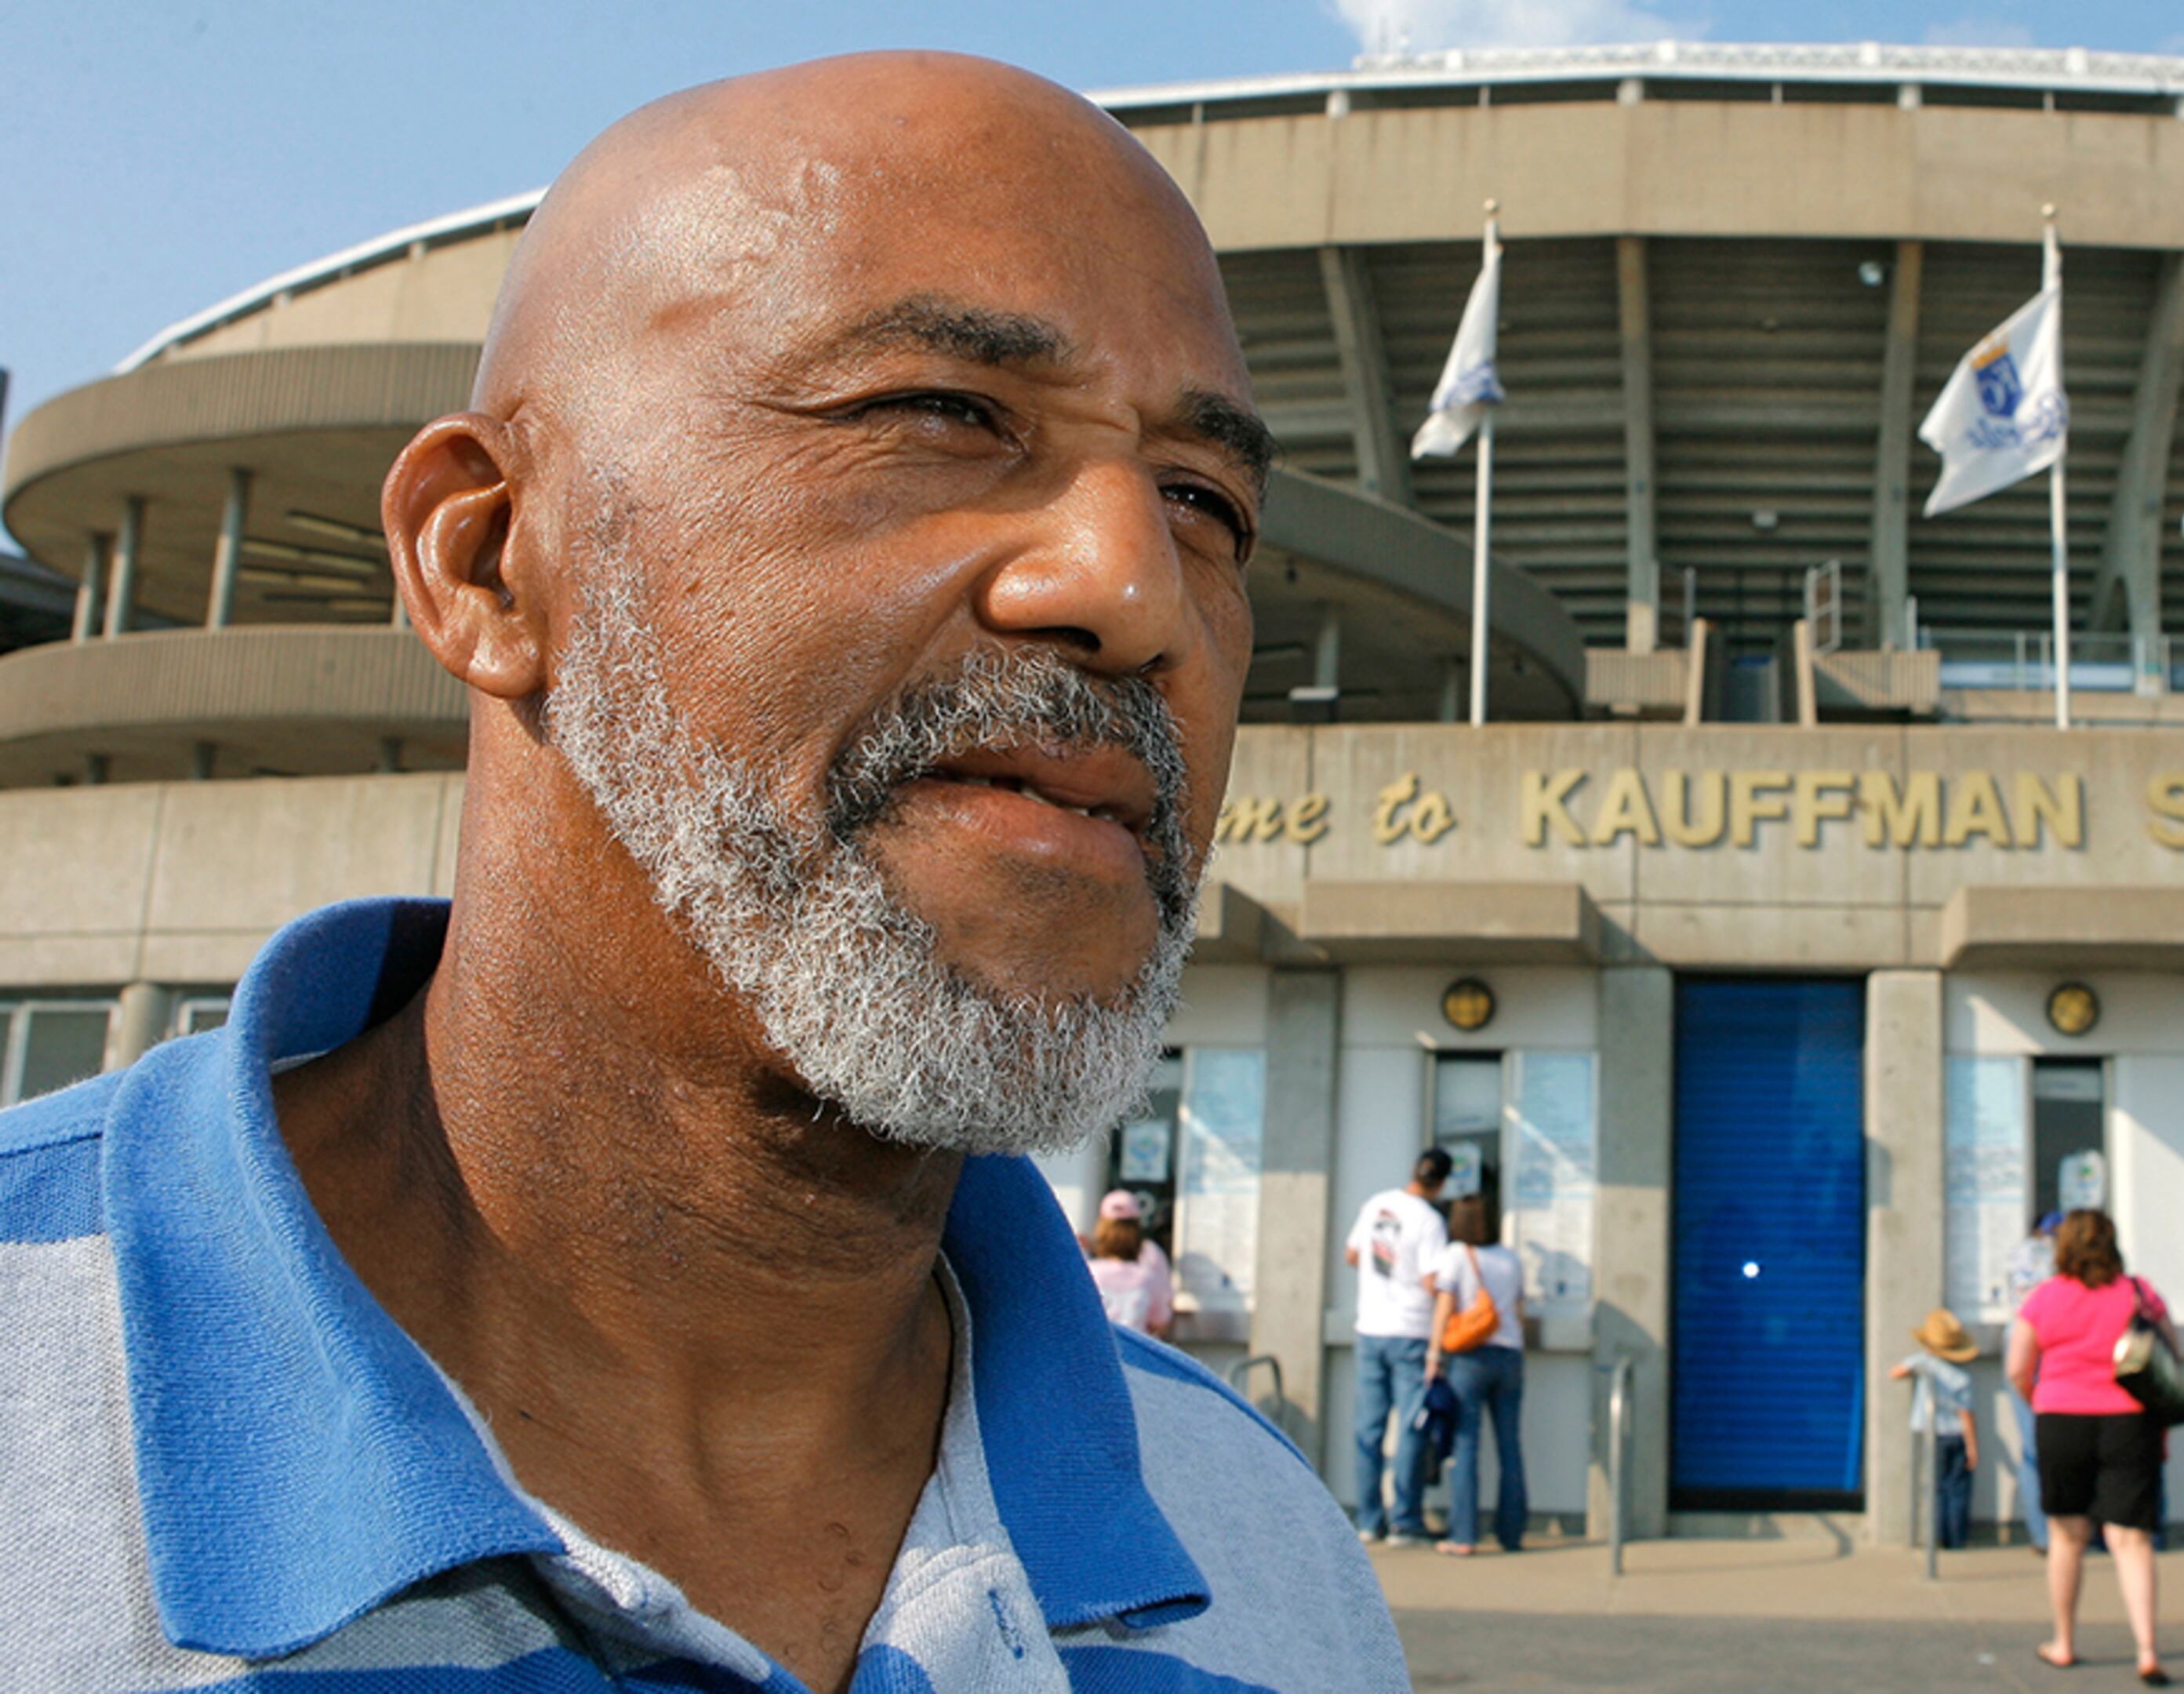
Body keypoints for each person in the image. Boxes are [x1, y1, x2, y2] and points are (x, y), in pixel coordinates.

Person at [0, 53, 1409, 1693]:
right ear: (487, 558)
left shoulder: (1268, 1565)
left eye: (1204, 500)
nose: (1135, 587)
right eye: (943, 415)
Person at [2009, 1208, 2171, 1685]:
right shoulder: (2140, 1293)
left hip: (2062, 1419)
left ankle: (2064, 1640)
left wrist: (2041, 1400)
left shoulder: (2044, 1298)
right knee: (2131, 1539)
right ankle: (2147, 1648)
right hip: (2128, 1421)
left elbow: (2019, 1367)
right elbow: (2170, 1355)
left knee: (2066, 1536)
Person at [1345, 1149, 1453, 1545]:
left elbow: (1352, 1254)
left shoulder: (1377, 1204)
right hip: (1411, 1331)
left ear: (1413, 1172)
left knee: (1368, 1430)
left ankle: (1370, 1520)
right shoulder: (1430, 1220)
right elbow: (1432, 1282)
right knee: (1410, 1428)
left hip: (1370, 1327)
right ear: (1442, 1183)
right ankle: (1405, 1521)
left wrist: (1382, 1272)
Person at [1427, 1193, 1531, 1556]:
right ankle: (1512, 1533)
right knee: (1510, 1446)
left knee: (1466, 1444)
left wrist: (1434, 1355)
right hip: (1510, 1357)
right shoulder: (1511, 1259)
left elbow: (1444, 1308)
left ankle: (1464, 1535)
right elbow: (1519, 1311)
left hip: (1470, 1359)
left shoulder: (1456, 1255)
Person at [1892, 1308, 1984, 1551]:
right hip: (1957, 1435)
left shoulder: (1924, 1362)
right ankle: (1956, 1539)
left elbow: (1896, 1372)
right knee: (1957, 1489)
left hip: (1931, 1433)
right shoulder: (1961, 1376)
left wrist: (1916, 1368)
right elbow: (1967, 1413)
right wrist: (1973, 1446)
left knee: (1935, 1488)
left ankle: (1936, 1536)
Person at [2003, 1211, 2063, 1550]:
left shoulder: (2018, 1254)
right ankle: (2064, 1529)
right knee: (2060, 1445)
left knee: (2031, 1449)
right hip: (2049, 1346)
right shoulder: (2057, 1258)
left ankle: (2042, 1536)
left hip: (2017, 1342)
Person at [1084, 1187, 1176, 1338]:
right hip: (1134, 1354)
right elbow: (1161, 1320)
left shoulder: (1090, 1271)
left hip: (1098, 1351)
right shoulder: (1149, 1268)